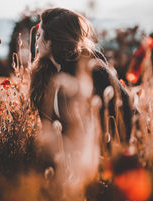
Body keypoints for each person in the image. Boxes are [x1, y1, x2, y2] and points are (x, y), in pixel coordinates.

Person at [29, 8, 135, 146]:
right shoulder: (44, 74)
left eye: (40, 35)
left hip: (110, 156)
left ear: (52, 40)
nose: (36, 42)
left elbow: (126, 113)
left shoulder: (92, 70)